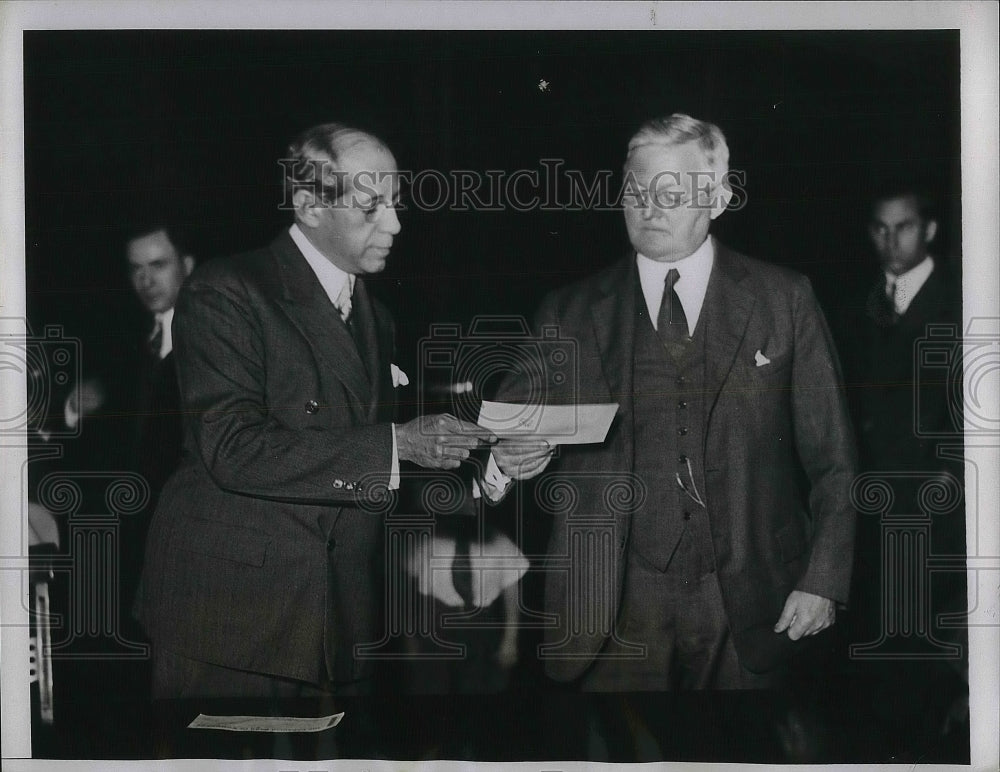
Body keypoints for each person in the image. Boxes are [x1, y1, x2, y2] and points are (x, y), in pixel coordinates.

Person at [483, 113, 857, 691]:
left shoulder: (784, 299)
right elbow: (504, 433)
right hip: (610, 607)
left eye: (671, 192)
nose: (648, 207)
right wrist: (505, 462)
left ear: (719, 196)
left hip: (756, 601)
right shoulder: (570, 310)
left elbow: (835, 461)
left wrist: (824, 579)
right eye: (635, 190)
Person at [137, 123, 493, 698]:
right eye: (372, 206)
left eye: (396, 205)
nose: (396, 225)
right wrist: (399, 443)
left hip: (333, 614)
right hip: (229, 612)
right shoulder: (226, 291)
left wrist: (489, 465)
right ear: (308, 207)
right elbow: (233, 448)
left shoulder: (376, 318)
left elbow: (369, 471)